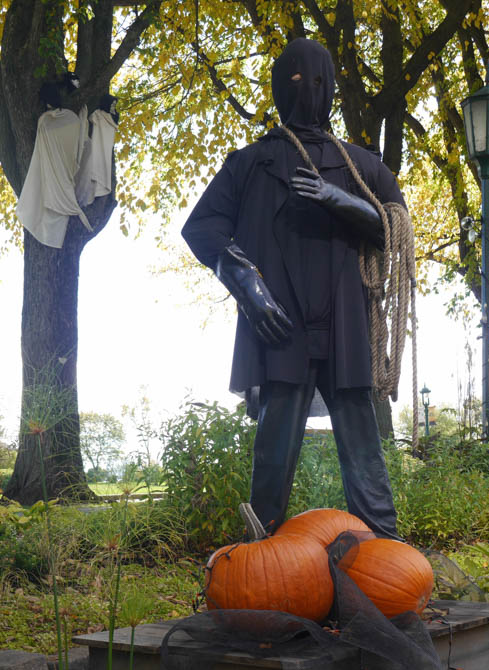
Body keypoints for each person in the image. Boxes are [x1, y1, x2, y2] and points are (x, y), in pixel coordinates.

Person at [182, 37, 408, 539]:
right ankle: (262, 556)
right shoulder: (250, 163)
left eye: (314, 80)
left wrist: (339, 200)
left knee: (363, 444)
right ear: (277, 86)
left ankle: (385, 553)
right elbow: (201, 229)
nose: (304, 89)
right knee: (274, 448)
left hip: (346, 324)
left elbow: (395, 226)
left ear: (330, 87)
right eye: (293, 78)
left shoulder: (361, 165)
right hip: (280, 325)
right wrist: (247, 285)